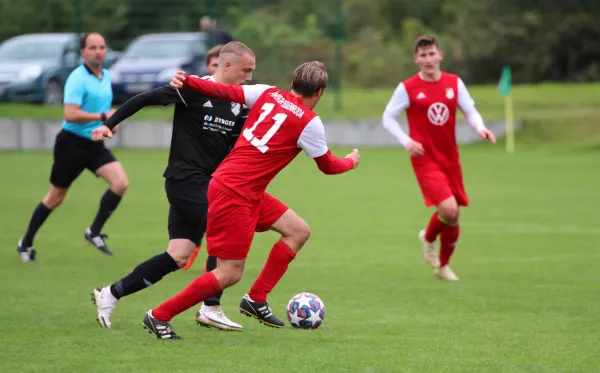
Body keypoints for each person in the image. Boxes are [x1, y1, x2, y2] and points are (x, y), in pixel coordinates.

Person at [141, 61, 360, 339]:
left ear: (293, 81)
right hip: (235, 193)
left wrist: (189, 81)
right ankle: (159, 316)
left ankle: (256, 299)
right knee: (229, 273)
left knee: (298, 231)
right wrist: (351, 161)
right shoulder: (309, 122)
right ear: (319, 92)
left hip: (242, 188)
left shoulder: (267, 93)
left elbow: (224, 91)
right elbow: (328, 165)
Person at [89, 42, 257, 331]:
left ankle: (110, 293)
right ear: (226, 66)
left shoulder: (241, 103)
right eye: (247, 70)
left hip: (208, 184)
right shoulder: (192, 89)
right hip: (184, 180)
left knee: (179, 254)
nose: (250, 78)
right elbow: (143, 99)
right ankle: (211, 306)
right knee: (223, 226)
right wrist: (110, 124)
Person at [381, 35, 496, 281]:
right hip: (424, 157)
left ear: (440, 55)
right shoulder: (407, 88)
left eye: (432, 53)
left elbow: (469, 109)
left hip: (450, 157)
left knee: (454, 216)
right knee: (448, 208)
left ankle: (443, 266)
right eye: (423, 55)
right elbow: (387, 117)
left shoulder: (454, 83)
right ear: (416, 59)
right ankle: (428, 237)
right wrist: (407, 141)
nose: (428, 59)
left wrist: (481, 128)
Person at [16, 32, 127, 261]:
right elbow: (71, 114)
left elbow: (102, 113)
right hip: (71, 145)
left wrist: (109, 124)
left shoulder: (105, 75)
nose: (98, 51)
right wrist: (105, 115)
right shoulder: (77, 78)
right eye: (93, 47)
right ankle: (25, 243)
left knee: (120, 183)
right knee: (55, 198)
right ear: (83, 52)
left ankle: (93, 232)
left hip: (95, 144)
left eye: (102, 47)